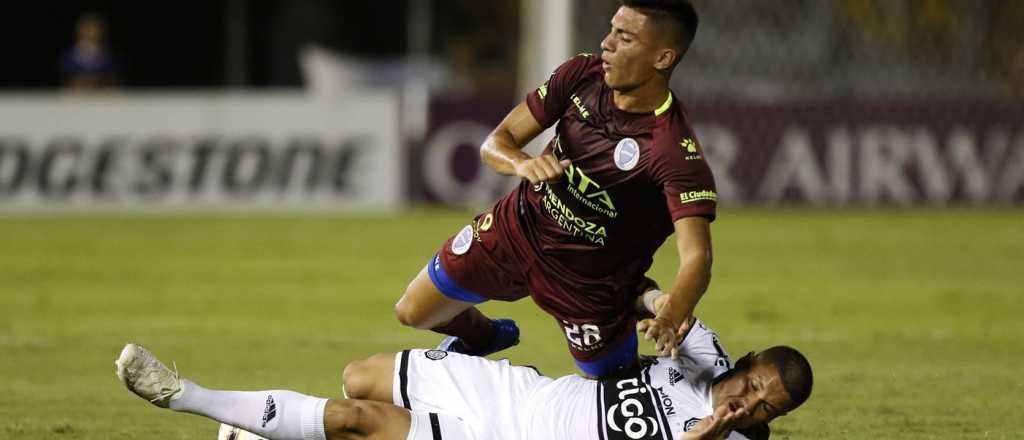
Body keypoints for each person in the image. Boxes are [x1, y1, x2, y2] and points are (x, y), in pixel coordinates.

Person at [394, 0, 718, 378]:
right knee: (412, 311)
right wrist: (523, 163)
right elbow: (496, 142)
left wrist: (672, 316)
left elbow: (698, 258)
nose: (606, 44)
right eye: (612, 29)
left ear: (662, 58)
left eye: (624, 38)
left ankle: (637, 297)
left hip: (588, 284)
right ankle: (484, 339)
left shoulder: (672, 150)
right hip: (515, 230)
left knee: (611, 384)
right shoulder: (581, 74)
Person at [115, 320, 812, 440]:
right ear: (744, 364)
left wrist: (711, 432)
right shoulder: (706, 354)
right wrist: (661, 308)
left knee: (352, 421)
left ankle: (183, 395)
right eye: (752, 387)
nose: (747, 405)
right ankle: (463, 352)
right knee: (358, 378)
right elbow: (643, 291)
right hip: (521, 394)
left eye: (763, 410)